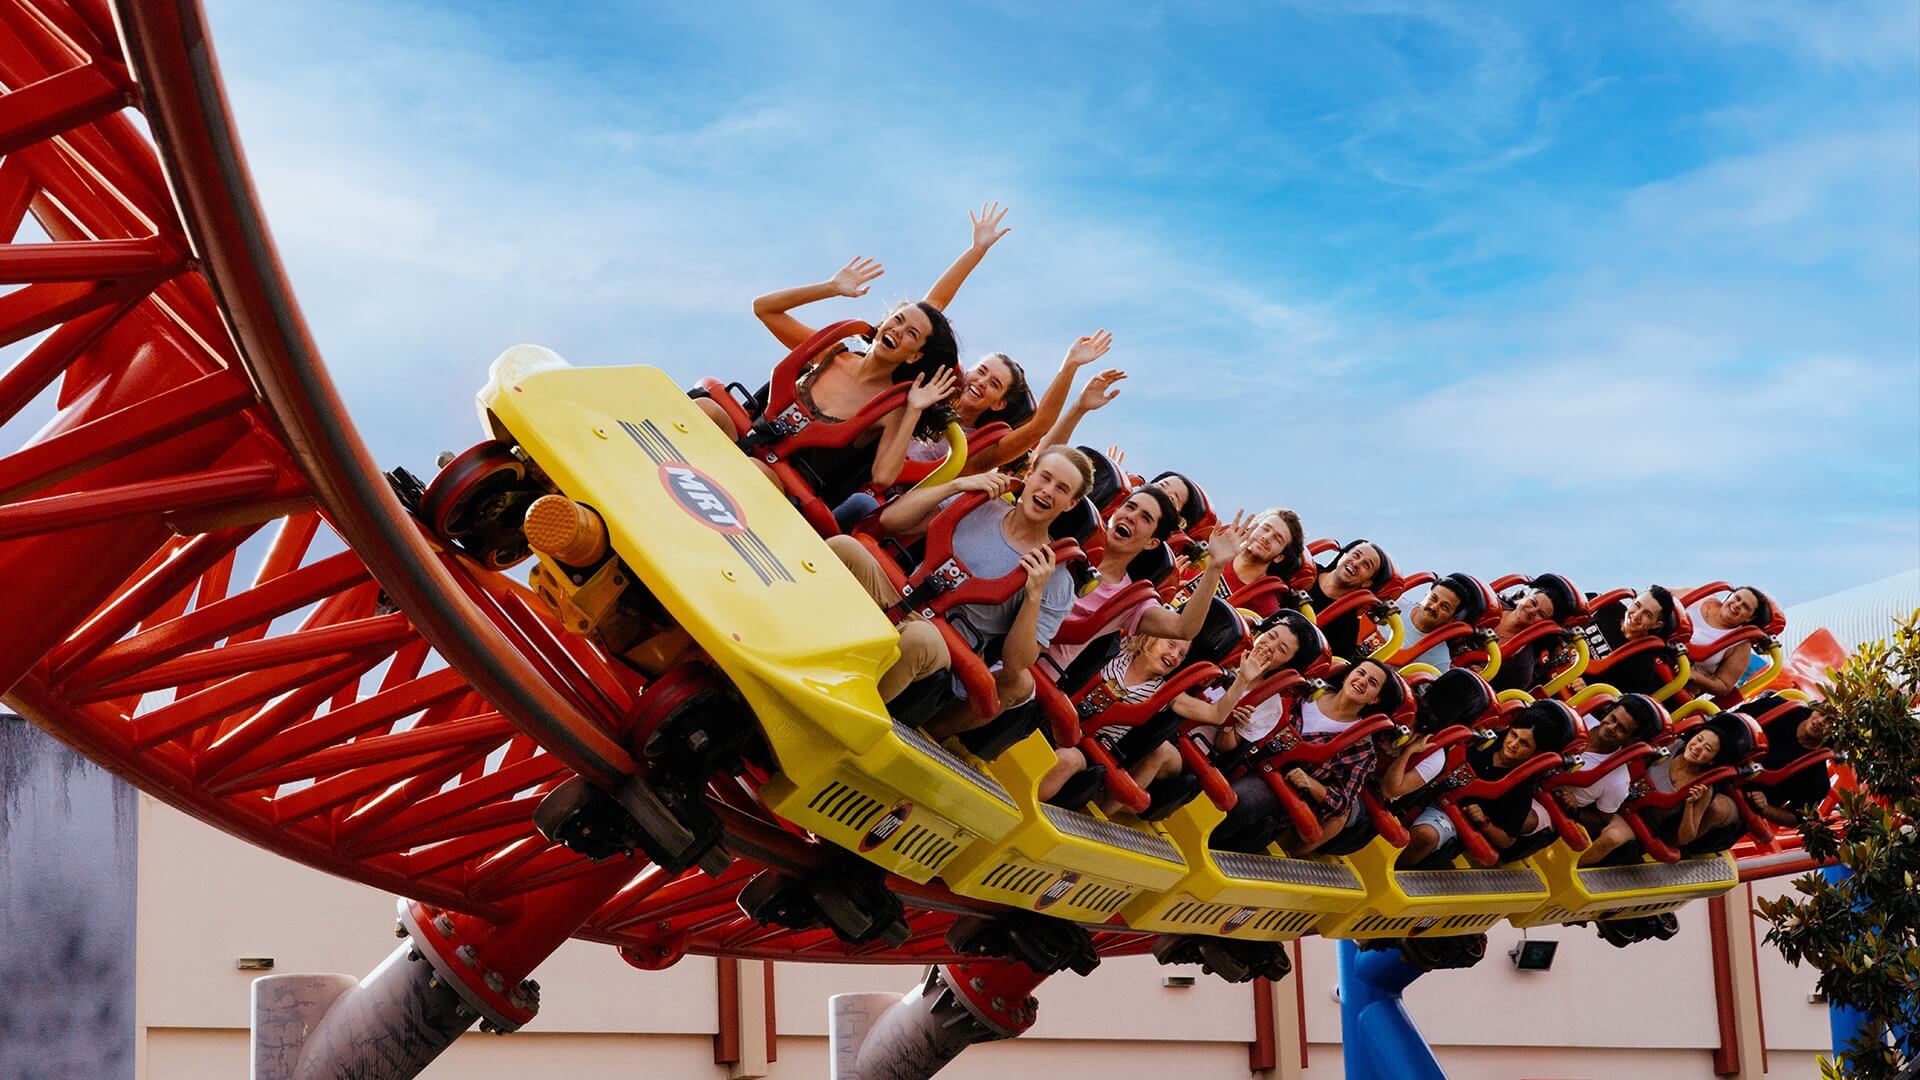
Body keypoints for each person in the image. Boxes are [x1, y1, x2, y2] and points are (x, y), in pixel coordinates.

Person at [823, 448, 1091, 739]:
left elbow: (1017, 664)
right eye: (1045, 478)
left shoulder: (1056, 577)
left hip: (949, 642)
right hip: (905, 595)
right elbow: (893, 520)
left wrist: (1034, 594)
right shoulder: (981, 504)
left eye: (1061, 489)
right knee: (844, 547)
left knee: (917, 639)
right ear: (1029, 475)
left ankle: (840, 725)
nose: (1048, 491)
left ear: (1070, 503)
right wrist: (956, 485)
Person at [698, 254, 963, 507]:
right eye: (898, 320)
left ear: (914, 356)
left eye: (911, 333)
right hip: (748, 443)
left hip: (786, 489)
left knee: (754, 470)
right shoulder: (830, 354)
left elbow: (883, 477)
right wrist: (830, 287)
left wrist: (914, 410)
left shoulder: (890, 408)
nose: (898, 330)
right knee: (706, 408)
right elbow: (764, 308)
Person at [1040, 493, 1248, 678]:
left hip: (1035, 673)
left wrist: (1215, 566)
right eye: (1130, 507)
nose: (1131, 516)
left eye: (1145, 518)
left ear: (1151, 542)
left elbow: (1184, 628)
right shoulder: (1067, 540)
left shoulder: (1131, 598)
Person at [1393, 701, 1573, 868]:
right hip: (1427, 786)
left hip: (1451, 813)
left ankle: (1395, 871)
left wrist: (1483, 822)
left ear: (1536, 752)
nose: (1513, 744)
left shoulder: (1522, 785)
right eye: (1513, 735)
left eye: (1524, 743)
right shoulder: (1485, 736)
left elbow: (1507, 840)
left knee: (1426, 836)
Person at [1037, 633, 1192, 806]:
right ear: (1153, 636)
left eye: (1181, 654)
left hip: (1085, 747)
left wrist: (1227, 694)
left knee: (1068, 760)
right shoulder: (1121, 647)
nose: (1174, 655)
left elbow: (1213, 713)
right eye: (1171, 645)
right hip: (1059, 719)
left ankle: (1023, 804)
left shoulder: (1163, 693)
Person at [1553, 694, 1666, 865]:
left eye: (1621, 728)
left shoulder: (1618, 780)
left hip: (1552, 811)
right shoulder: (1580, 719)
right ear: (1608, 711)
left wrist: (1575, 809)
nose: (1611, 727)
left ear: (1632, 739)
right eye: (1612, 718)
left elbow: (1601, 820)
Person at [1176, 509, 1305, 619]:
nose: (1266, 537)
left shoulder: (1266, 606)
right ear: (1251, 529)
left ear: (1279, 557)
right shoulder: (1206, 554)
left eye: (1277, 538)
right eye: (1265, 529)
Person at [1642, 720, 1743, 852]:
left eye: (1707, 749)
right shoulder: (1674, 745)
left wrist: (1689, 806)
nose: (1697, 747)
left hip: (1645, 826)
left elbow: (1685, 838)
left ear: (1712, 760)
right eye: (1699, 739)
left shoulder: (1704, 788)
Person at [1735, 693, 1833, 828]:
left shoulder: (1817, 777)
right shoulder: (1778, 708)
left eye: (1831, 722)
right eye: (1822, 713)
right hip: (1712, 765)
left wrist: (1765, 808)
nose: (1822, 721)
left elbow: (1796, 818)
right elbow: (1729, 720)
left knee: (1718, 809)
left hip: (1739, 804)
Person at [1486, 575, 1582, 693]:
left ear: (1546, 626)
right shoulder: (1490, 607)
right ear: (1525, 596)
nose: (1532, 611)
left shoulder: (1522, 665)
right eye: (1533, 602)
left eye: (1540, 614)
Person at [1579, 586, 1679, 697]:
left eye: (1647, 614)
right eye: (1637, 605)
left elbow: (1616, 701)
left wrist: (1589, 689)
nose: (1636, 615)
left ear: (1656, 624)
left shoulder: (1642, 664)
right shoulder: (1607, 606)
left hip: (1573, 690)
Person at [1307, 539, 1394, 660]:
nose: (1356, 563)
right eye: (1356, 555)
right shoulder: (1305, 571)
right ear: (1343, 555)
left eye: (1366, 565)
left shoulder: (1348, 627)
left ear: (1367, 582)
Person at [1684, 586, 1775, 699]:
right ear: (1728, 597)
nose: (1737, 605)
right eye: (1737, 598)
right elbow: (1661, 599)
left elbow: (1723, 686)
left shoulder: (1740, 643)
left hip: (1677, 686)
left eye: (1745, 607)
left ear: (1750, 618)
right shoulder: (1700, 598)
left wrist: (1693, 676)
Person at [1395, 573, 1484, 671]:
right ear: (1425, 595)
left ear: (1451, 619)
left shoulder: (1440, 660)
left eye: (1445, 607)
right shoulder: (1394, 605)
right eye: (1433, 598)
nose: (1434, 607)